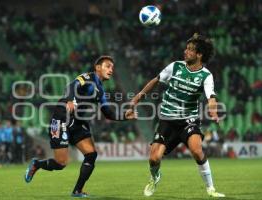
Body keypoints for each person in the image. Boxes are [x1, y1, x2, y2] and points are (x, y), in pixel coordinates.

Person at [24, 55, 136, 197]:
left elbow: (107, 113)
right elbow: (72, 85)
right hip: (62, 118)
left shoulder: (100, 91)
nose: (111, 70)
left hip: (78, 122)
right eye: (108, 66)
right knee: (61, 163)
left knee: (91, 154)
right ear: (97, 68)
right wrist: (70, 99)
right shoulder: (88, 78)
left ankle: (77, 191)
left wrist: (124, 117)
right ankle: (37, 164)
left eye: (112, 67)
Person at [131, 34, 225, 198]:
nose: (185, 52)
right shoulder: (175, 67)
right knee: (154, 159)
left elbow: (211, 97)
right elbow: (156, 80)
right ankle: (155, 178)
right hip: (167, 120)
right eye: (186, 48)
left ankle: (211, 188)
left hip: (189, 120)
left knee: (196, 150)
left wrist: (214, 110)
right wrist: (139, 96)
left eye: (190, 50)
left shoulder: (206, 75)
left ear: (199, 55)